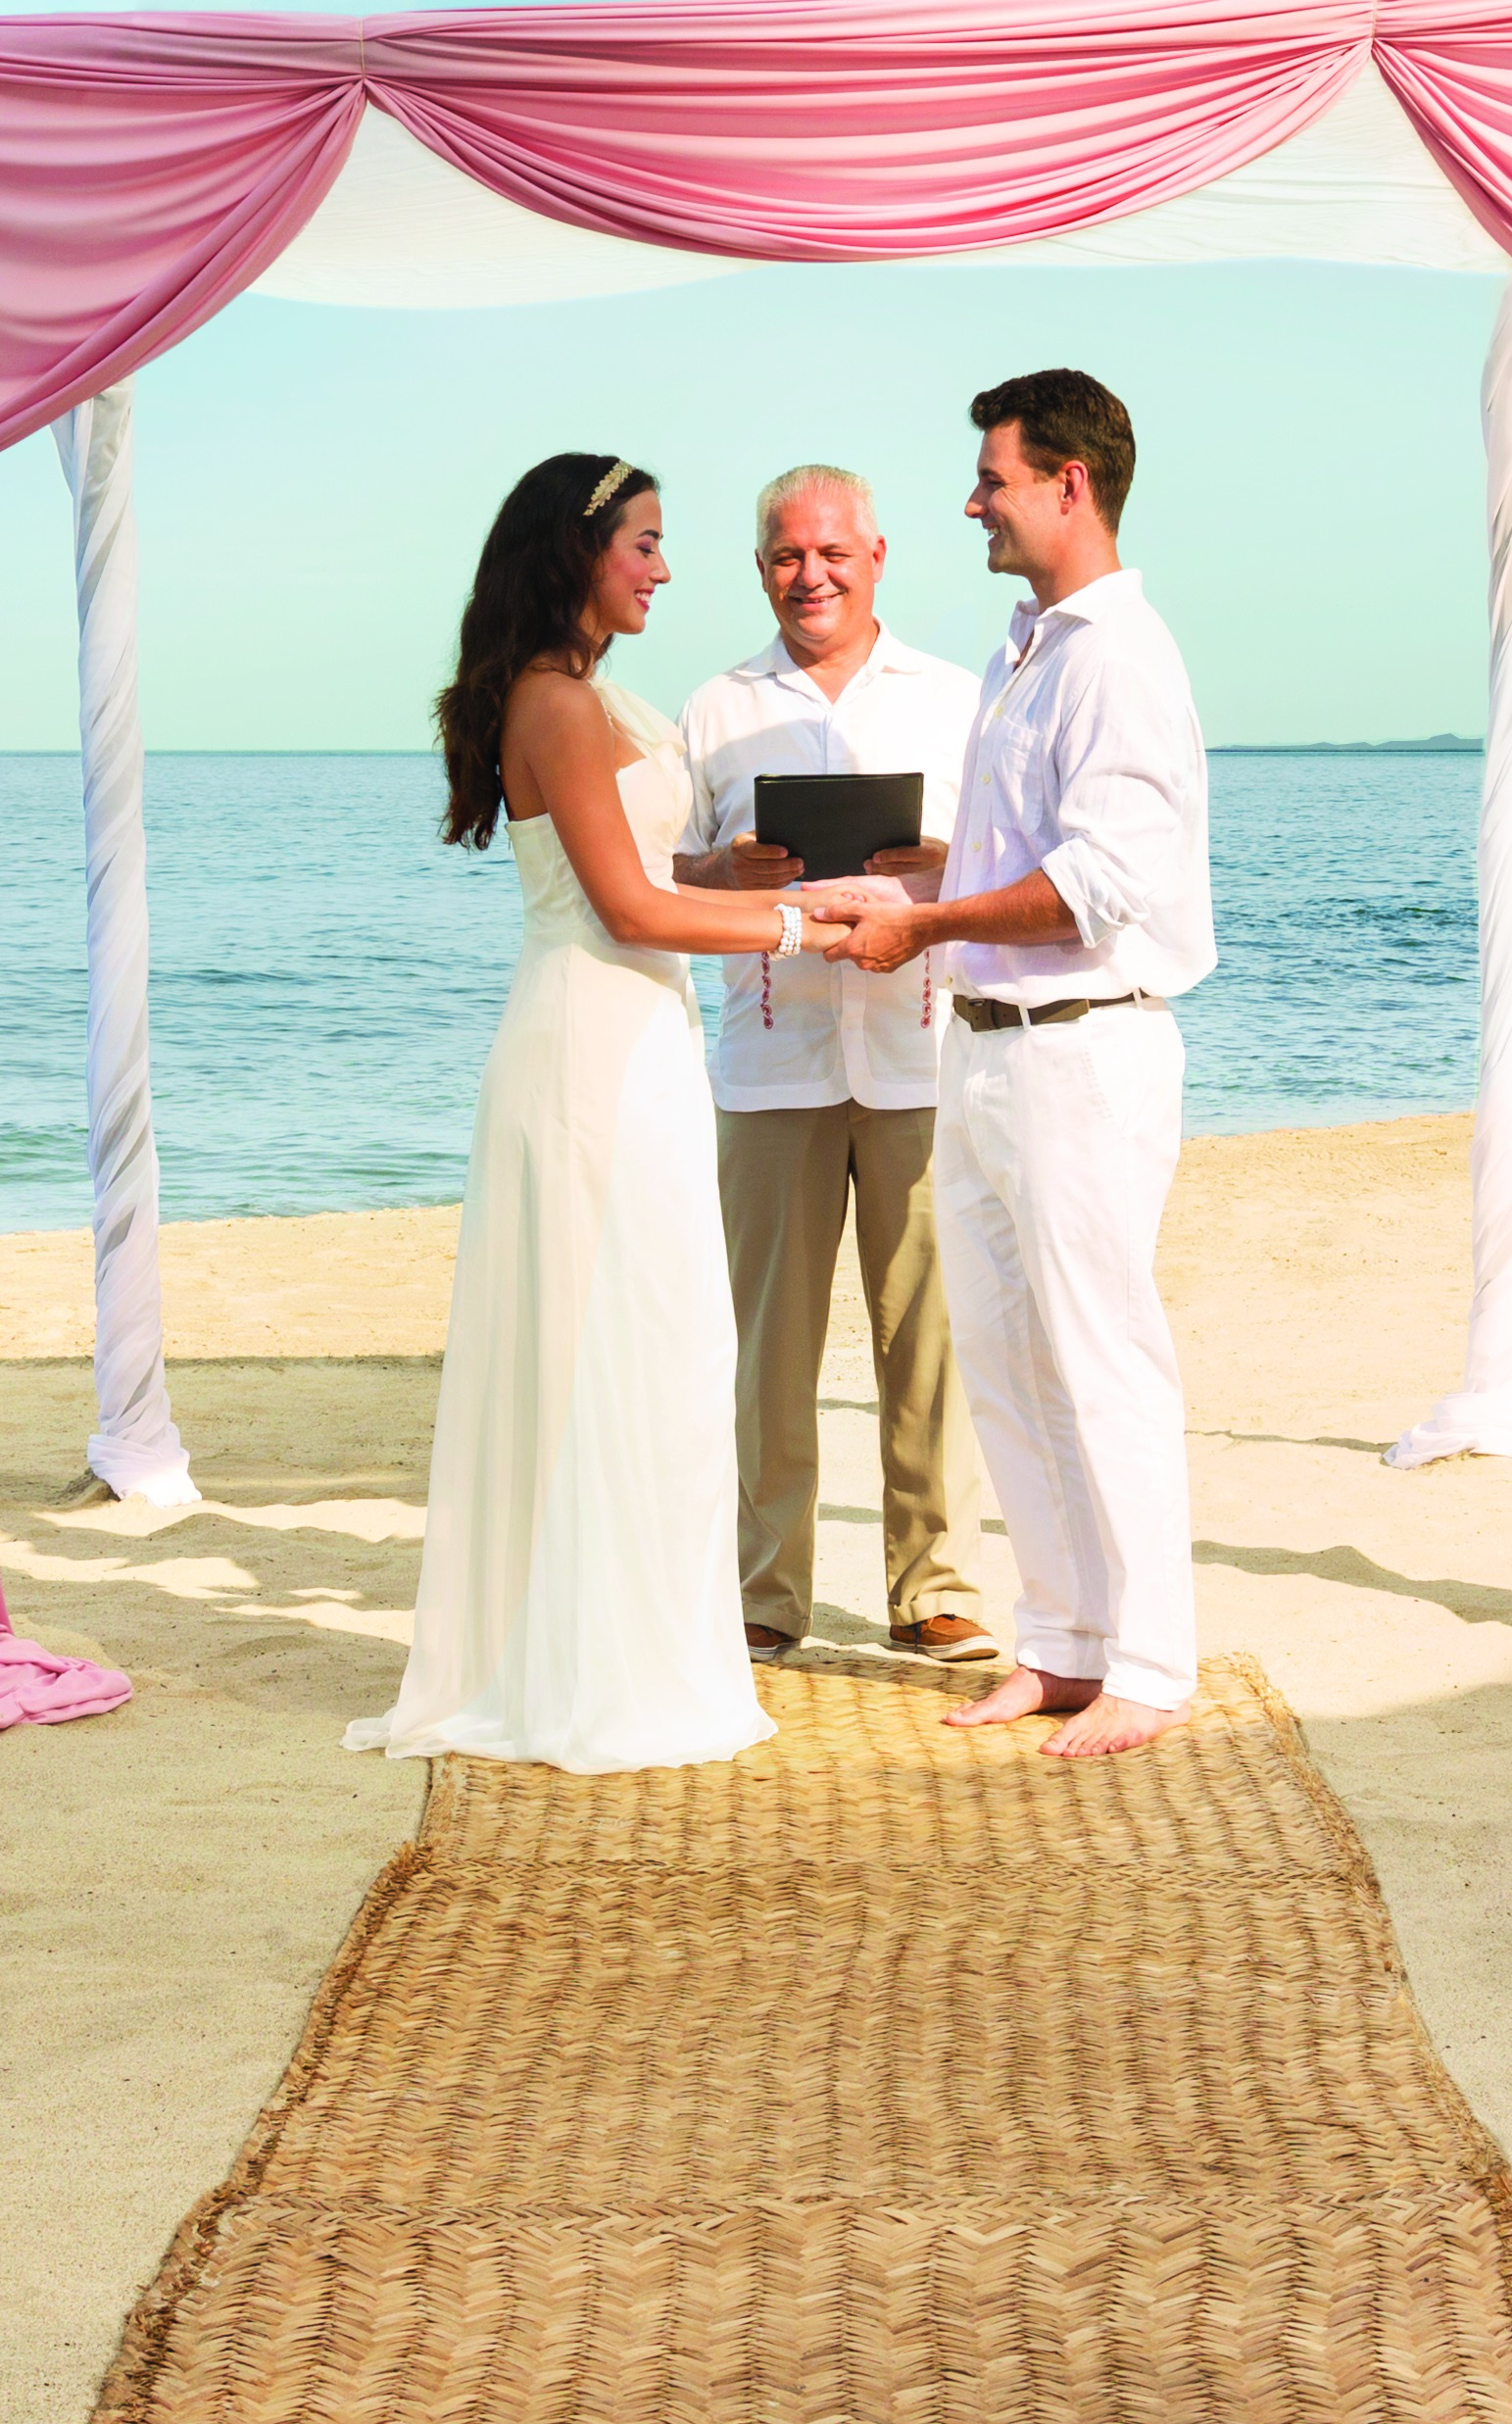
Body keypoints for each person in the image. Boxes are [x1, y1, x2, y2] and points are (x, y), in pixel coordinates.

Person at [353, 455, 851, 1773]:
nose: (664, 569)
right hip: (590, 1044)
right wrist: (808, 921)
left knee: (652, 1338)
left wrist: (727, 875)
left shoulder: (588, 699)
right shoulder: (556, 704)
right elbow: (625, 914)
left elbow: (635, 875)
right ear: (575, 552)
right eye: (643, 544)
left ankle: (623, 1633)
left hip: (629, 1034)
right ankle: (601, 1661)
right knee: (618, 1340)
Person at [802, 370, 1212, 1759]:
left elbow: (1093, 885)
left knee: (1102, 1358)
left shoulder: (1118, 658)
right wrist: (901, 885)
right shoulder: (1023, 652)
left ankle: (1152, 1663)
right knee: (1005, 1356)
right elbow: (1012, 858)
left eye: (992, 476)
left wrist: (925, 921)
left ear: (1068, 485)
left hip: (1082, 1049)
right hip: (980, 1048)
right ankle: (1063, 1643)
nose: (973, 500)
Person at [672, 463, 989, 1662]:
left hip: (918, 1052)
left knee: (931, 1344)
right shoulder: (713, 708)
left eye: (831, 555)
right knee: (768, 1350)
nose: (810, 576)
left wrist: (931, 863)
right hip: (770, 1064)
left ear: (878, 556)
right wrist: (727, 873)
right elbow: (661, 876)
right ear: (760, 566)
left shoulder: (958, 699)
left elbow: (1004, 873)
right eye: (785, 556)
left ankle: (935, 1585)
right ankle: (766, 1592)